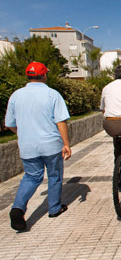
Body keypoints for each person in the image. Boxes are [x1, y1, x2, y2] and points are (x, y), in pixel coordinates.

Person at [5, 62, 72, 231]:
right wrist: (66, 143)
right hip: (50, 144)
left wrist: (24, 134)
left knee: (31, 176)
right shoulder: (52, 94)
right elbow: (60, 121)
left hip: (27, 145)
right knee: (54, 175)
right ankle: (54, 208)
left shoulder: (16, 95)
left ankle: (18, 208)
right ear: (44, 75)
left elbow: (10, 124)